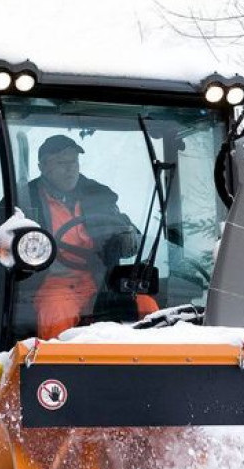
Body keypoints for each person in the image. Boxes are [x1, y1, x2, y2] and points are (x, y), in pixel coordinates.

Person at [22, 134, 144, 338]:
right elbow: (4, 242)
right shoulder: (25, 200)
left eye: (74, 162)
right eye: (62, 162)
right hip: (52, 282)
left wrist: (128, 236)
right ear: (42, 167)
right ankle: (56, 367)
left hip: (101, 280)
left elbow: (127, 236)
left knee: (144, 305)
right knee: (57, 311)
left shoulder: (100, 196)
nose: (70, 168)